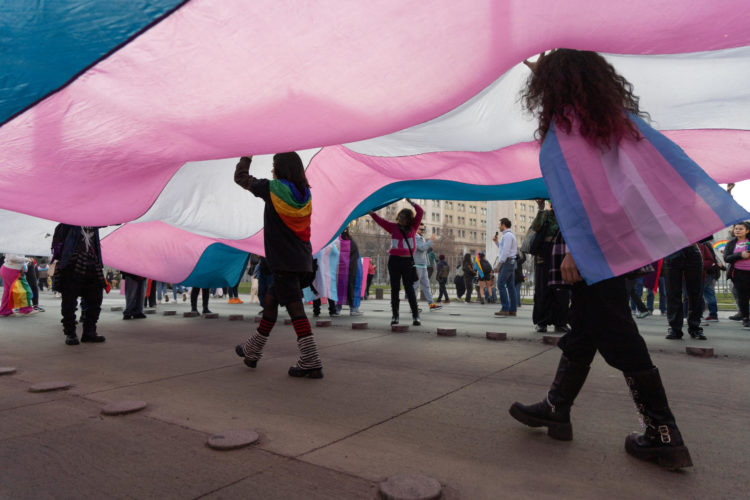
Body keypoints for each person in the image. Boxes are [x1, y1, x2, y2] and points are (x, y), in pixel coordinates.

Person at [508, 49, 692, 469]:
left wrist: (576, 248)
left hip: (592, 247)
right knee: (586, 326)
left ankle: (663, 433)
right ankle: (556, 407)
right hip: (614, 243)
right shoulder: (606, 121)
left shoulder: (570, 125)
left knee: (616, 332)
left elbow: (582, 193)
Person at [234, 153, 323, 378]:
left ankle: (311, 361)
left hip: (283, 262)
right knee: (271, 302)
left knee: (296, 310)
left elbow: (240, 177)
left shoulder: (272, 188)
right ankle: (252, 352)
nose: (272, 169)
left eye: (274, 166)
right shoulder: (305, 194)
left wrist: (246, 155)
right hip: (301, 260)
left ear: (280, 168)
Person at [369, 199, 423, 326]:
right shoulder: (393, 227)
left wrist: (411, 201)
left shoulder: (414, 227)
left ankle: (416, 316)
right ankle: (395, 316)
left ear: (409, 219)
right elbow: (380, 221)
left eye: (403, 217)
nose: (400, 219)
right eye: (399, 217)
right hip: (394, 261)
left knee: (409, 289)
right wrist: (371, 213)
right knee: (394, 289)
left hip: (407, 262)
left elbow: (420, 211)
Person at [51, 224, 107, 345]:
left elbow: (112, 219)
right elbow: (56, 246)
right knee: (69, 302)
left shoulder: (95, 225)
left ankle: (89, 332)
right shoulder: (65, 225)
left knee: (95, 300)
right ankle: (70, 333)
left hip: (92, 264)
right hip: (71, 265)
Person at [530, 200, 569, 332]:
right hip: (545, 253)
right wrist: (540, 209)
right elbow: (535, 227)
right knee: (543, 287)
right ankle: (542, 322)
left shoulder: (567, 214)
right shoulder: (546, 214)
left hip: (562, 253)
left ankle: (561, 322)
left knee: (561, 288)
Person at [663, 244, 706, 340]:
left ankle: (695, 327)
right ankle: (675, 328)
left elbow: (706, 235)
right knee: (672, 293)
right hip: (671, 251)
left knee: (695, 293)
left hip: (692, 250)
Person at [723, 222, 750, 328]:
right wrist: (740, 255)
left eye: (740, 229)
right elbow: (726, 258)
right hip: (739, 273)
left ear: (747, 230)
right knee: (743, 297)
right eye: (736, 229)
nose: (737, 230)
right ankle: (746, 318)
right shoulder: (731, 243)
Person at [493, 218, 518, 317]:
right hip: (511, 262)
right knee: (511, 286)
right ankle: (512, 309)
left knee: (500, 284)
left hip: (507, 262)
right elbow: (503, 249)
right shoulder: (509, 236)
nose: (498, 226)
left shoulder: (507, 236)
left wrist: (499, 264)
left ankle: (505, 308)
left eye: (499, 224)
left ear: (504, 225)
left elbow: (505, 252)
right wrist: (497, 242)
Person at [413, 223, 440, 310]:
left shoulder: (421, 238)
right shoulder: (415, 237)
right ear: (416, 229)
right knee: (415, 286)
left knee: (426, 286)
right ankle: (413, 306)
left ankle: (431, 305)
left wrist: (427, 263)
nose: (423, 231)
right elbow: (422, 248)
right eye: (421, 229)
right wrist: (431, 240)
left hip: (423, 265)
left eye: (423, 229)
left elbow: (424, 252)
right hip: (417, 265)